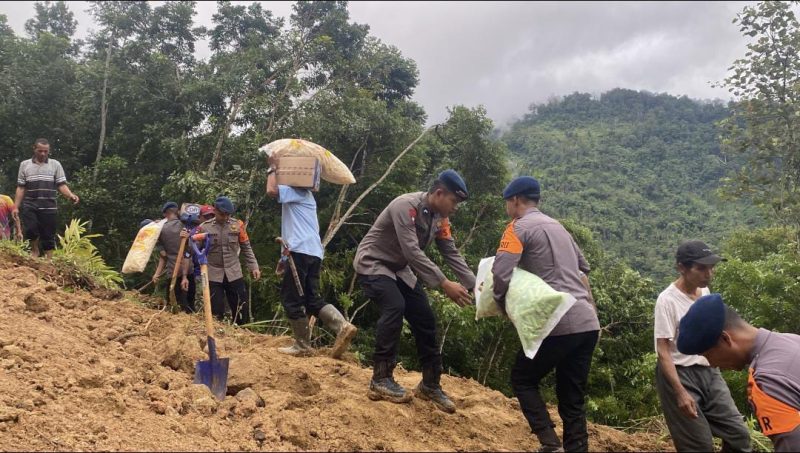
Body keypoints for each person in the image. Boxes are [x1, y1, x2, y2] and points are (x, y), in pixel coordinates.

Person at [491, 176, 600, 453]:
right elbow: (582, 271)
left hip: (557, 319)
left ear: (515, 200)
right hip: (587, 323)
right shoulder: (559, 227)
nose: (506, 207)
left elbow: (501, 274)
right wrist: (592, 312)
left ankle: (550, 444)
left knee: (523, 378)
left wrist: (502, 306)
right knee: (572, 395)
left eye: (507, 202)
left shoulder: (517, 228)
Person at [353, 169, 475, 413]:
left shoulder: (440, 218)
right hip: (374, 262)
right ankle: (380, 379)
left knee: (425, 318)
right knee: (394, 306)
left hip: (399, 269)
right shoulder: (406, 206)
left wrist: (475, 286)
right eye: (454, 201)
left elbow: (450, 251)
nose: (455, 208)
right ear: (439, 193)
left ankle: (430, 385)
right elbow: (412, 251)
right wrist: (444, 283)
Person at [654, 240, 751, 452]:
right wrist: (680, 392)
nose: (709, 274)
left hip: (709, 372)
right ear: (682, 267)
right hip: (680, 374)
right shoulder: (667, 300)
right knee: (698, 445)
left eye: (711, 267)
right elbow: (663, 350)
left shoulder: (704, 293)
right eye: (701, 268)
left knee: (739, 435)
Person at [678, 293, 800, 452]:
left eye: (708, 355)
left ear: (725, 339)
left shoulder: (767, 382)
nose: (712, 364)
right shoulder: (791, 340)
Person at [266, 156, 357, 359]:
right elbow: (295, 229)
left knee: (291, 299)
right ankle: (342, 326)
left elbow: (271, 190)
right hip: (312, 252)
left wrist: (272, 167)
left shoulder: (296, 192)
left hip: (299, 252)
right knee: (311, 298)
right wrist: (283, 260)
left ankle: (302, 345)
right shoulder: (305, 195)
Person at [195, 196, 261, 325]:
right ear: (215, 211)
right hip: (213, 274)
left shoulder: (238, 225)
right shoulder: (204, 228)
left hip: (234, 272)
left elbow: (246, 247)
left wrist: (254, 266)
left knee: (241, 307)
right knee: (216, 311)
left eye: (228, 215)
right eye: (222, 214)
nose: (225, 217)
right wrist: (189, 239)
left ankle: (243, 331)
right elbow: (195, 249)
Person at [13, 138, 79, 258]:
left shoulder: (55, 164)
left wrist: (70, 195)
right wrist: (15, 207)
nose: (43, 154)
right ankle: (35, 251)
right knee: (30, 229)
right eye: (40, 151)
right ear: (34, 149)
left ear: (49, 151)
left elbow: (61, 184)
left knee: (48, 233)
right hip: (30, 203)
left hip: (49, 205)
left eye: (45, 151)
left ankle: (49, 258)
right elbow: (21, 187)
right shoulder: (24, 165)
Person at [151, 202, 194, 313]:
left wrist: (157, 273)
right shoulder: (186, 225)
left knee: (174, 308)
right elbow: (189, 252)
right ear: (177, 212)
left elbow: (163, 256)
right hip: (189, 271)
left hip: (173, 272)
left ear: (165, 214)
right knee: (189, 307)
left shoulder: (162, 229)